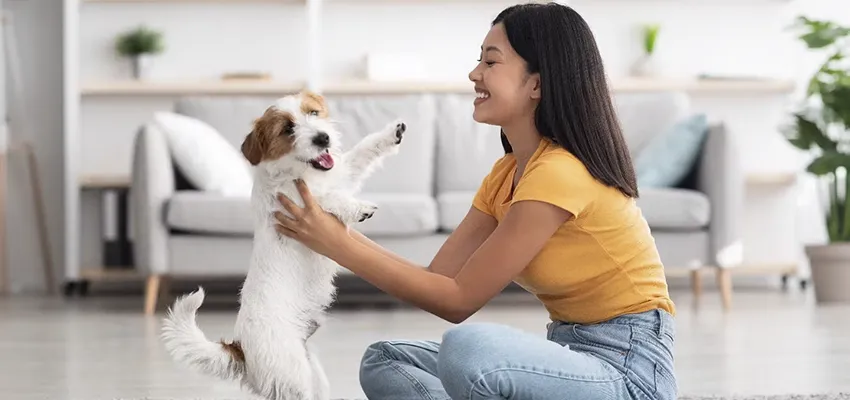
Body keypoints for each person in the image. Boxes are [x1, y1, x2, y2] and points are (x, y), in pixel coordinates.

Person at [273, 3, 677, 400]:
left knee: (469, 350)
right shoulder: (506, 174)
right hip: (569, 355)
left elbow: (457, 301)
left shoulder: (560, 172)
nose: (474, 74)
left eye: (491, 62)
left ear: (536, 84)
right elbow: (439, 277)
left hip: (630, 372)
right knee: (386, 361)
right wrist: (330, 231)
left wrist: (336, 243)